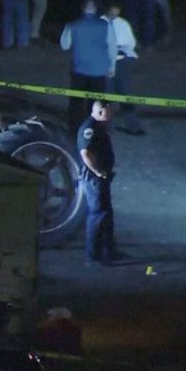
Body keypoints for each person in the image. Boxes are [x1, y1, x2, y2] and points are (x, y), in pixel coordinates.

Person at [78, 100, 124, 265]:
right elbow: (86, 153)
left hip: (102, 178)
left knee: (106, 215)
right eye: (108, 112)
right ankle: (93, 257)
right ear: (100, 112)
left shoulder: (99, 126)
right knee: (97, 216)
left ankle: (109, 251)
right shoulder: (89, 129)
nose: (111, 115)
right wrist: (98, 171)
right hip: (94, 180)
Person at [60, 0, 116, 133]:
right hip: (99, 71)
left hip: (79, 70)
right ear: (95, 9)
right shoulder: (105, 24)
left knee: (76, 103)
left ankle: (74, 129)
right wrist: (112, 66)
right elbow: (112, 47)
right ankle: (96, 128)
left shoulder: (74, 25)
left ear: (82, 9)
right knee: (97, 102)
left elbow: (64, 45)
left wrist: (68, 27)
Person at [102, 3, 144, 135]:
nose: (115, 12)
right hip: (106, 63)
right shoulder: (99, 23)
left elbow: (131, 42)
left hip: (122, 63)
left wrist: (121, 47)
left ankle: (133, 126)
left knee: (125, 94)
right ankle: (106, 127)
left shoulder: (123, 24)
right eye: (112, 9)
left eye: (117, 9)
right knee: (106, 96)